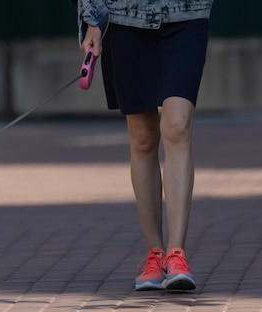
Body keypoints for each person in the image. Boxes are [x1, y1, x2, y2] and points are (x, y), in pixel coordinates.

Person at [75, 0, 214, 291]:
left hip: (186, 14)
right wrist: (92, 20)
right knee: (142, 137)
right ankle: (155, 253)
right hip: (124, 19)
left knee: (177, 126)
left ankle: (177, 254)